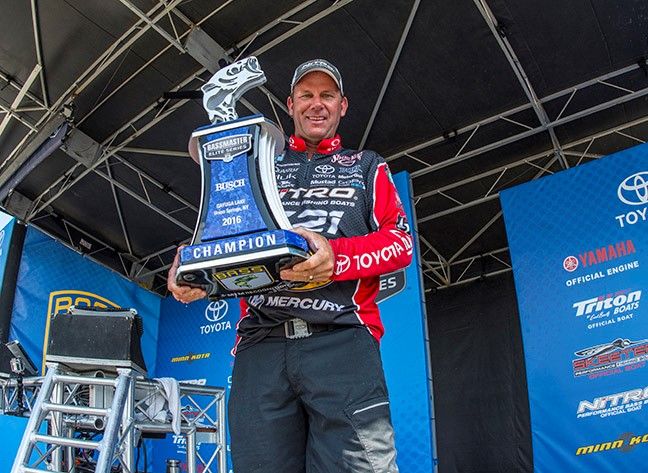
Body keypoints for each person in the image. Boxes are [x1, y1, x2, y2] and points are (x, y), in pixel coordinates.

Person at [168, 58, 412, 473]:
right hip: (261, 345)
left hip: (342, 338)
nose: (317, 105)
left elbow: (400, 242)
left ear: (343, 105)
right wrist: (193, 268)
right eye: (307, 96)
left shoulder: (368, 165)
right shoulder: (261, 162)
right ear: (291, 104)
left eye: (327, 96)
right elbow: (229, 238)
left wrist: (338, 259)